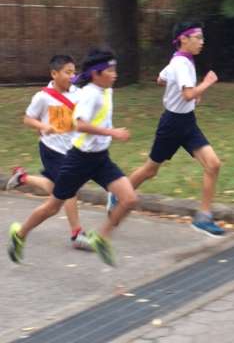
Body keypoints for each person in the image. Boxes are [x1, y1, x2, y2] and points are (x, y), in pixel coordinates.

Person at [7, 48, 138, 267]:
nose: (115, 74)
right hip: (77, 158)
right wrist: (112, 132)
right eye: (110, 70)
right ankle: (20, 234)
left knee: (130, 199)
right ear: (96, 73)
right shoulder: (87, 94)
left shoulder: (103, 90)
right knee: (54, 205)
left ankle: (101, 237)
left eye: (115, 69)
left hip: (100, 158)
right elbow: (80, 124)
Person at [107, 20, 225, 237]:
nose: (202, 41)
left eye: (202, 37)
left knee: (213, 164)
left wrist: (186, 93)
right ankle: (118, 193)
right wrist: (206, 84)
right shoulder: (181, 64)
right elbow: (187, 94)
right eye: (198, 37)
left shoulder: (179, 60)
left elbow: (160, 79)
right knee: (151, 170)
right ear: (184, 39)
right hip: (172, 125)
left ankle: (203, 217)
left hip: (187, 123)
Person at [6, 54, 91, 251]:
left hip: (71, 149)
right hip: (51, 150)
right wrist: (43, 126)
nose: (72, 76)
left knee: (57, 190)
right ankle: (77, 234)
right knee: (69, 189)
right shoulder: (42, 97)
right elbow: (28, 119)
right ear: (54, 74)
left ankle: (23, 178)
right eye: (67, 72)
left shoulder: (78, 93)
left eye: (73, 72)